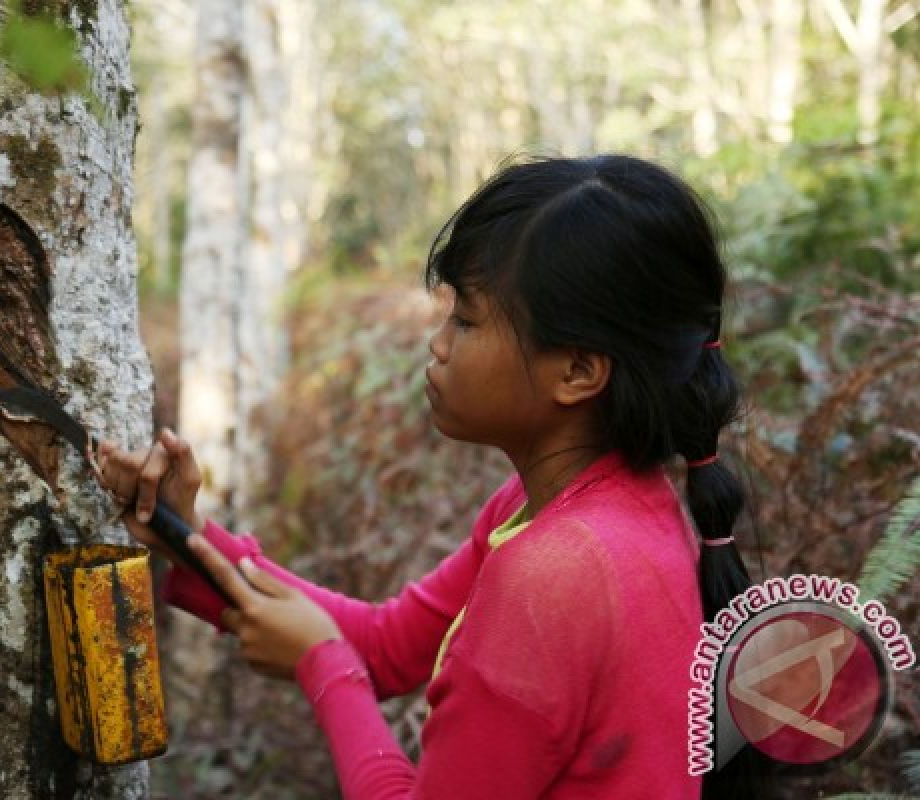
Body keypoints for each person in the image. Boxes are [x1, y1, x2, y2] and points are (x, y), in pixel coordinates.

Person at [95, 155, 764, 799]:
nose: (438, 343)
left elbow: (354, 661)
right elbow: (387, 646)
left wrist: (326, 668)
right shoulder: (593, 507)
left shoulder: (558, 573)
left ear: (579, 371)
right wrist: (183, 532)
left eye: (467, 320)